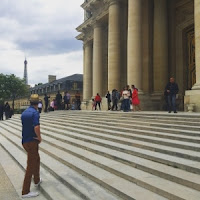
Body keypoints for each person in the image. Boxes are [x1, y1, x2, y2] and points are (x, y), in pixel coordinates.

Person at [21, 94, 42, 198]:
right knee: (31, 165)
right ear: (37, 103)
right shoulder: (35, 113)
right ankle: (25, 191)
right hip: (32, 141)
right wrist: (39, 137)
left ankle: (37, 180)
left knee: (36, 159)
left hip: (25, 140)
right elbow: (36, 127)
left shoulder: (24, 112)